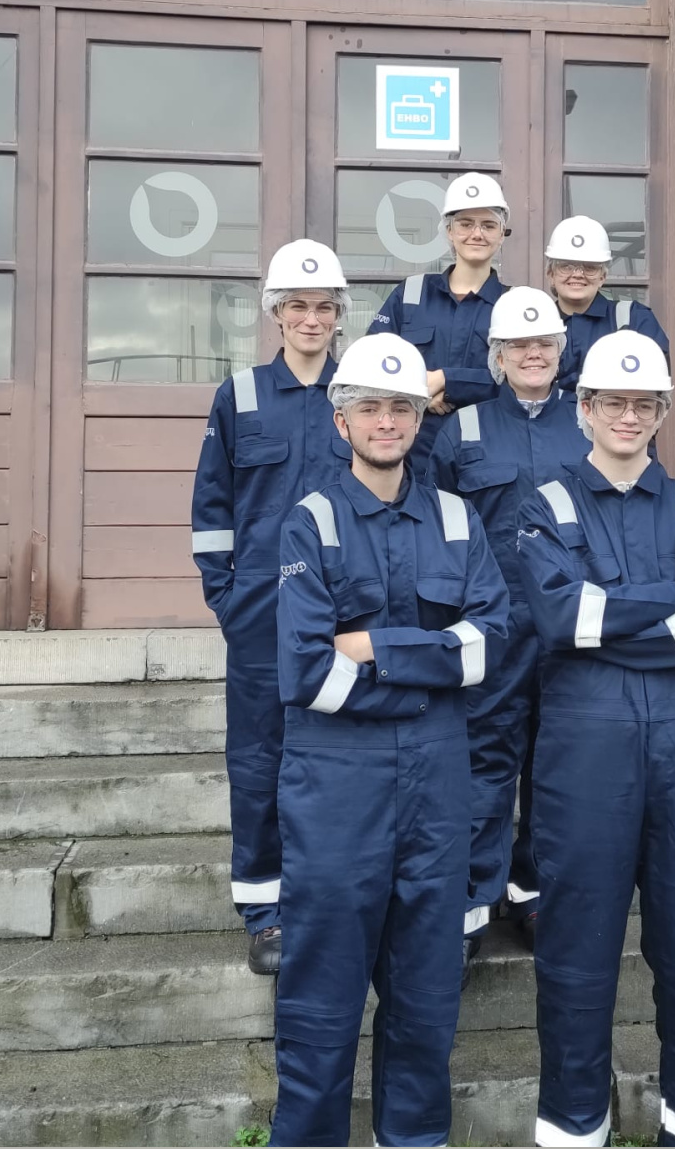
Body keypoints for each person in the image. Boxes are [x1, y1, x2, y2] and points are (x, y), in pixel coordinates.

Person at [269, 333, 509, 1148]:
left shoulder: (457, 518)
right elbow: (308, 674)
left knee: (426, 997)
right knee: (321, 998)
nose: (386, 421)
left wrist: (373, 645)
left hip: (436, 789)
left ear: (418, 418)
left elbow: (487, 647)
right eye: (368, 406)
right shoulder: (311, 523)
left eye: (401, 407)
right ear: (341, 421)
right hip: (336, 789)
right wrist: (431, 666)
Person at [515, 330, 675, 1149]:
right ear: (582, 408)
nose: (626, 415)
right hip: (584, 751)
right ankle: (575, 1124)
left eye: (643, 403)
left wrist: (606, 618)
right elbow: (557, 618)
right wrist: (667, 600)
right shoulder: (543, 505)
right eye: (611, 400)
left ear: (660, 413)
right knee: (575, 952)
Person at [191, 239, 352, 975]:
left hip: (345, 613)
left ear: (339, 315)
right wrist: (227, 598)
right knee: (260, 760)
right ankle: (265, 911)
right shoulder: (241, 395)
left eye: (323, 306)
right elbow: (212, 507)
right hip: (259, 614)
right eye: (297, 306)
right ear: (275, 314)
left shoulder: (358, 395)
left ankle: (327, 897)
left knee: (338, 757)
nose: (310, 318)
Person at [426, 286, 588, 986]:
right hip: (491, 629)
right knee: (483, 769)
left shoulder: (588, 423)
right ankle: (468, 905)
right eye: (518, 345)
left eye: (543, 343)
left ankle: (534, 894)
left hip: (568, 632)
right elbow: (434, 533)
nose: (532, 354)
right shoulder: (459, 432)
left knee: (554, 769)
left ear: (560, 350)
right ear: (496, 355)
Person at [367, 171, 510, 477]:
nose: (477, 234)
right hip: (410, 460)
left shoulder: (514, 306)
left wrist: (447, 381)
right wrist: (419, 391)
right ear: (448, 231)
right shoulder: (410, 295)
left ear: (501, 234)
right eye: (465, 224)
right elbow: (372, 363)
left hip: (489, 460)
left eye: (488, 225)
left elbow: (524, 381)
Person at [545, 214, 670, 392]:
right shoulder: (535, 327)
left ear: (603, 277)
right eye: (566, 266)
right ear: (551, 274)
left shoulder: (634, 320)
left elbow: (652, 390)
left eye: (589, 267)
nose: (578, 274)